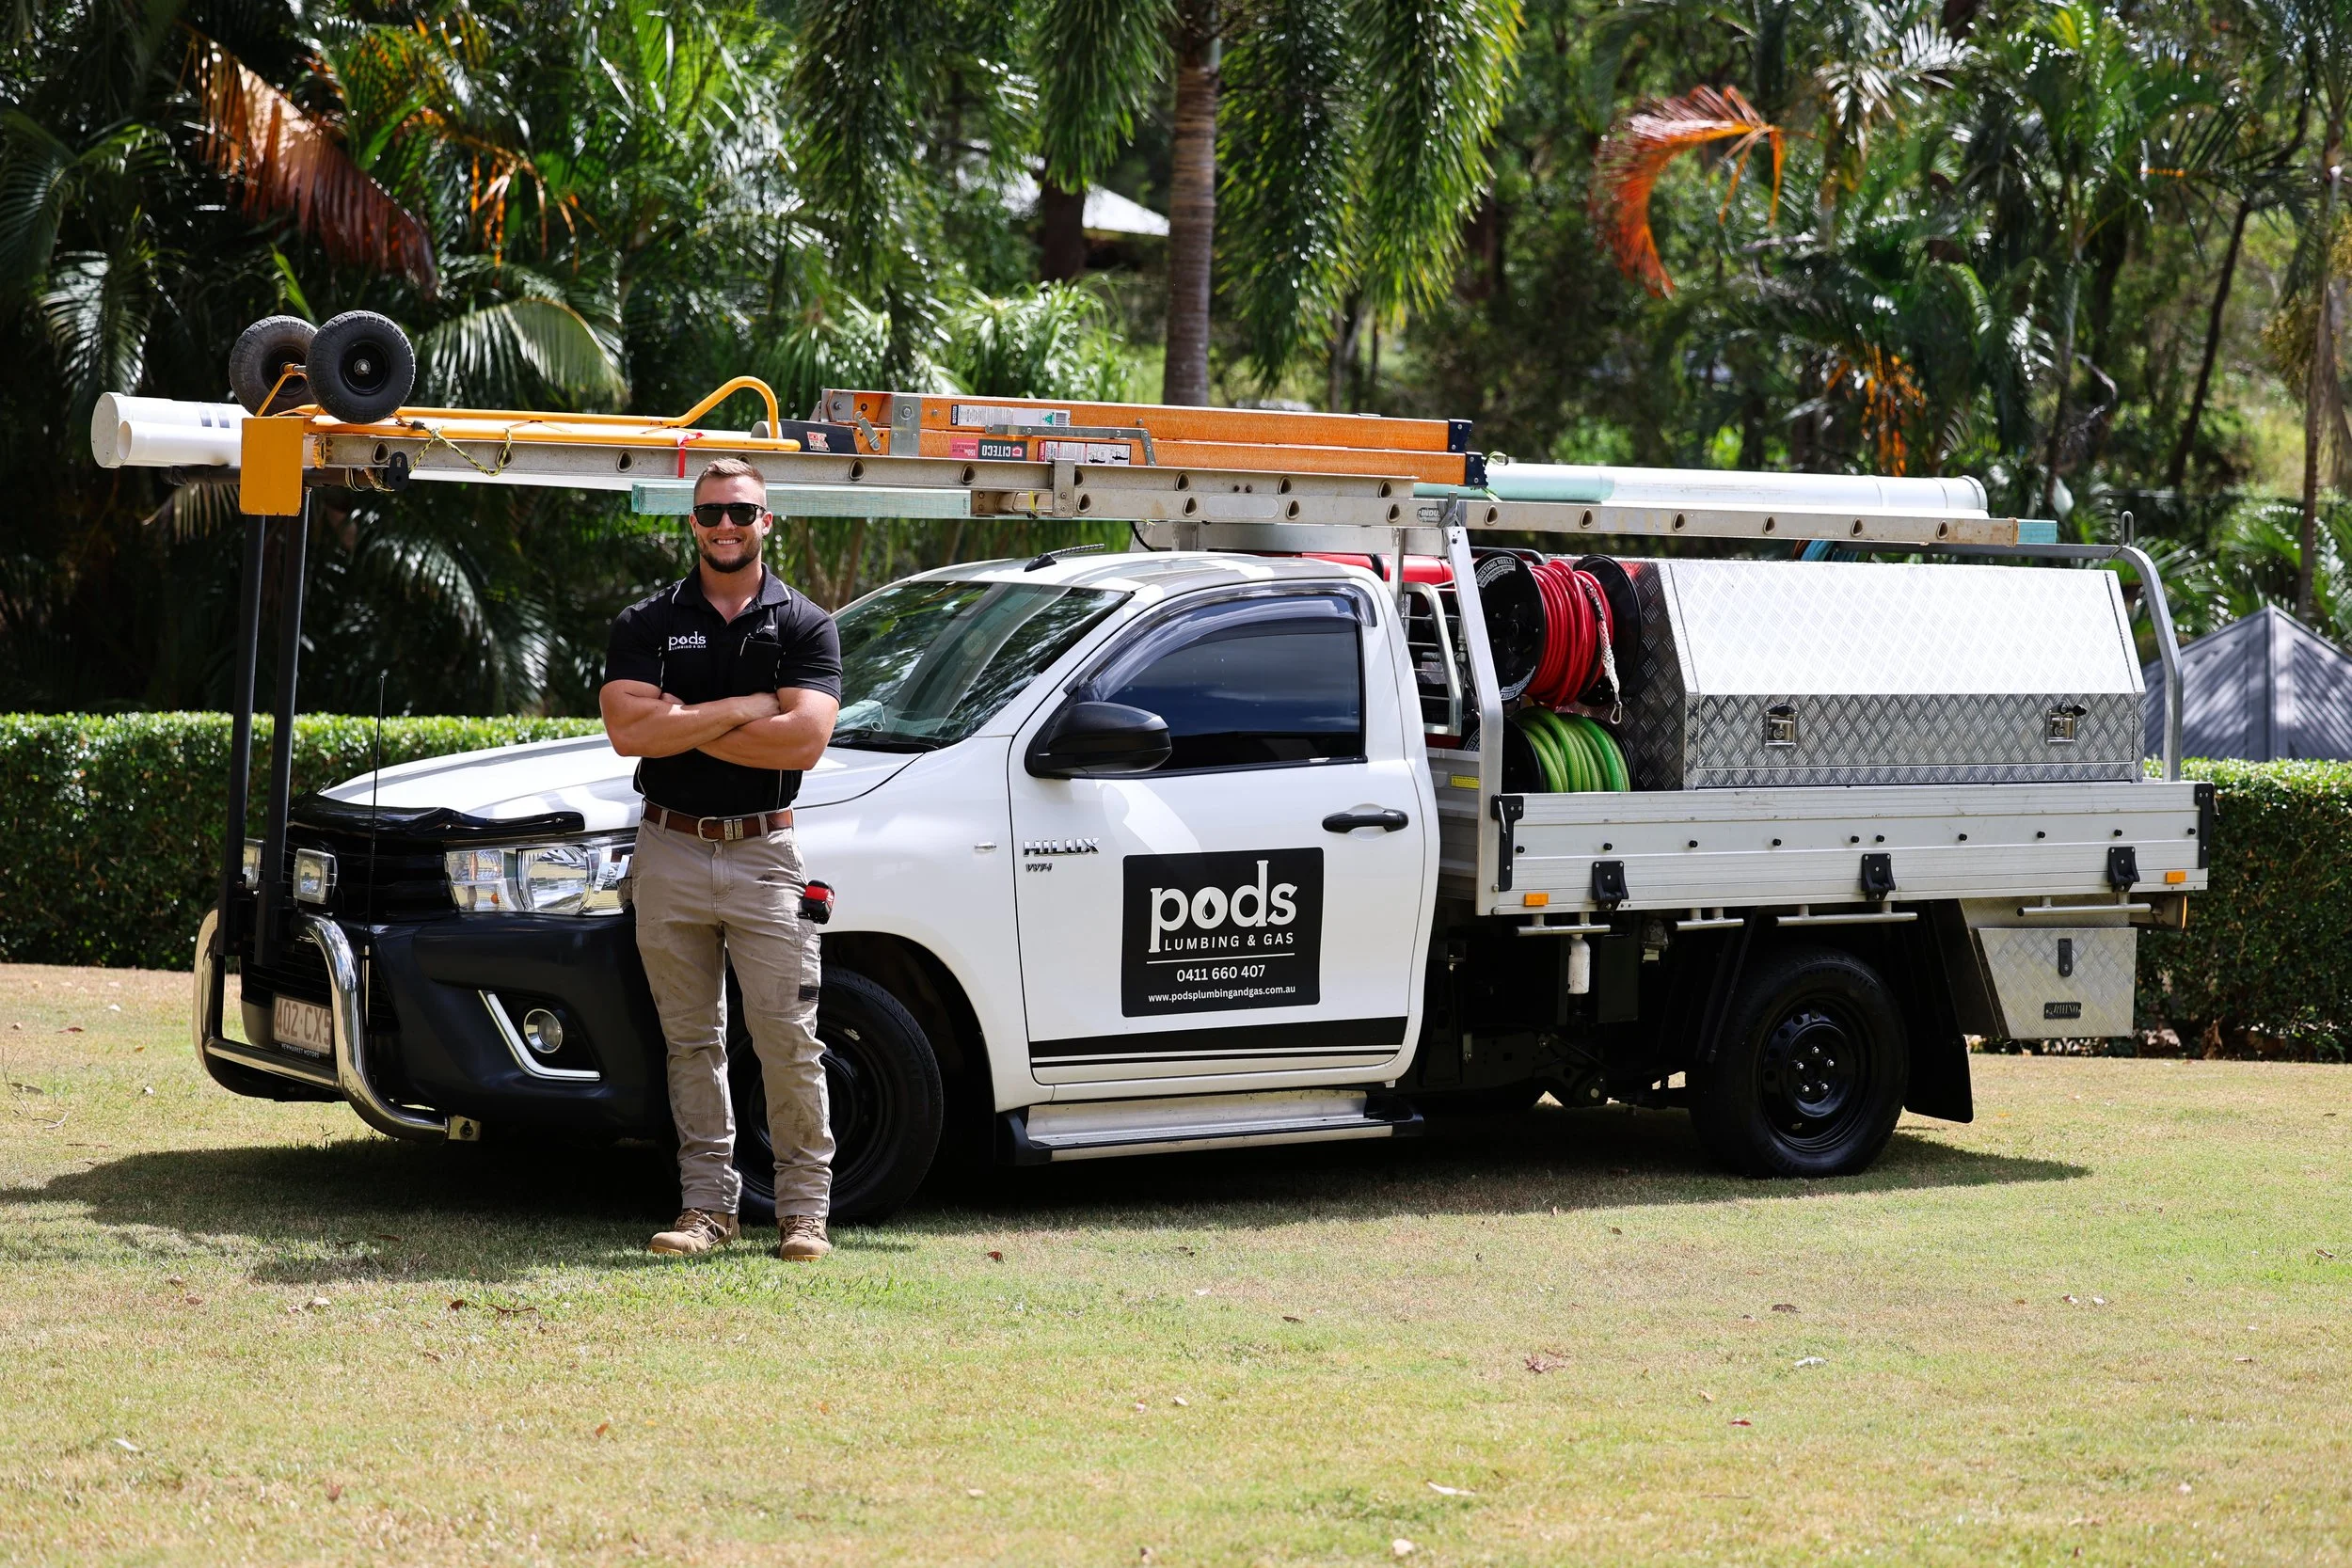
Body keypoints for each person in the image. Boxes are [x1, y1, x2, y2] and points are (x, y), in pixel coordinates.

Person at [598, 457, 843, 1260]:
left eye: (742, 510)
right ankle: (708, 1208)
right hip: (667, 847)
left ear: (768, 520)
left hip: (765, 853)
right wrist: (746, 706)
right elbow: (631, 733)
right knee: (691, 1043)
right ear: (692, 522)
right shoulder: (646, 621)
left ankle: (805, 1212)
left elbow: (805, 738)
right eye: (710, 513)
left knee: (786, 1038)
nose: (726, 525)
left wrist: (686, 718)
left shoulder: (805, 623)